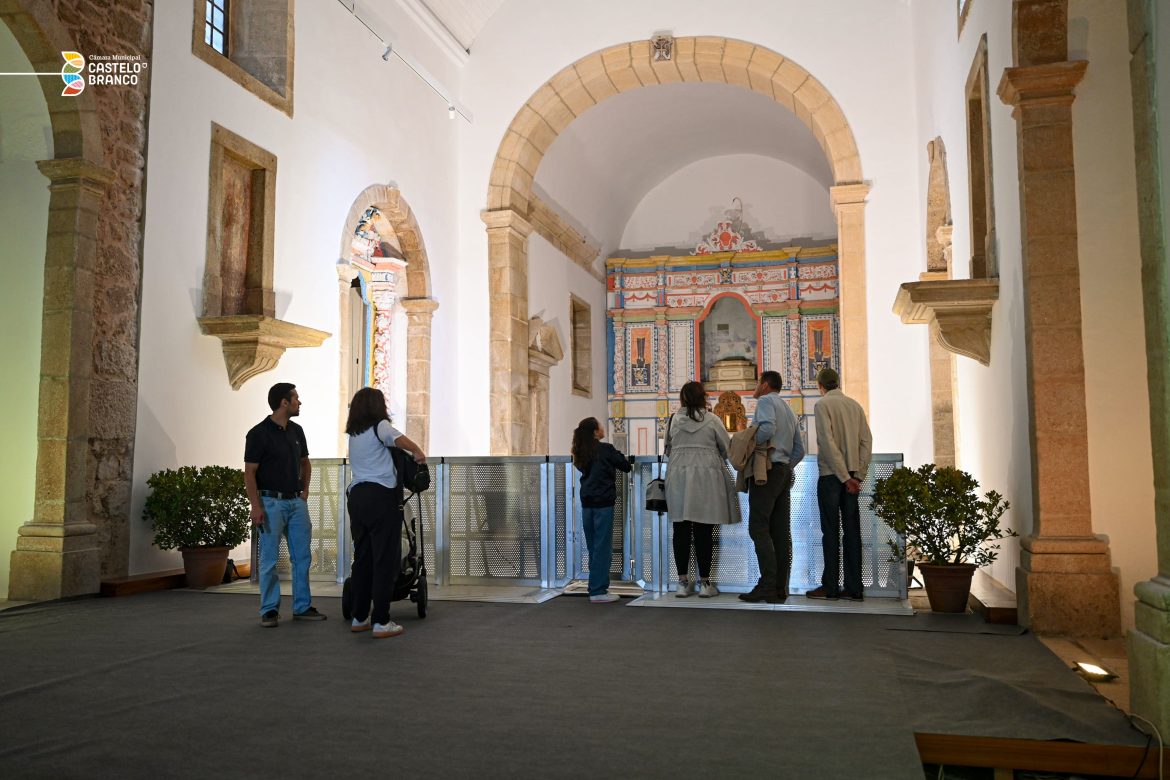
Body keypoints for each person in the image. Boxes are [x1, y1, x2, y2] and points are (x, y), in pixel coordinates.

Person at [344, 387, 426, 638]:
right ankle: (381, 621)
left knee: (363, 559)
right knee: (384, 560)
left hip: (357, 497)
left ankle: (359, 617)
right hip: (380, 497)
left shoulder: (354, 434)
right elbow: (399, 440)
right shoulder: (380, 426)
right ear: (376, 406)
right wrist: (418, 451)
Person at [244, 382, 326, 627]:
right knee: (269, 559)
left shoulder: (297, 431)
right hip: (270, 503)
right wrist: (256, 506)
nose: (299, 402)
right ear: (284, 402)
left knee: (302, 557)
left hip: (296, 502)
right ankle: (269, 610)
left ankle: (302, 607)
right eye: (296, 398)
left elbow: (305, 462)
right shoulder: (258, 434)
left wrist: (305, 490)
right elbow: (249, 473)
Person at [664, 381, 740, 598]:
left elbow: (668, 449)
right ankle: (705, 584)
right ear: (702, 398)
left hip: (678, 475)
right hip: (707, 477)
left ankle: (682, 583)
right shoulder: (712, 419)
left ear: (682, 398)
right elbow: (727, 449)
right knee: (704, 530)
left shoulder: (673, 420)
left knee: (680, 529)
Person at [808, 367, 873, 601]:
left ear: (820, 386)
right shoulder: (855, 406)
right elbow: (867, 442)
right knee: (852, 532)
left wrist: (844, 477)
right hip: (853, 477)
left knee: (831, 531)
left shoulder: (822, 405)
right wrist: (857, 475)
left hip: (831, 477)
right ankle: (854, 588)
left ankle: (831, 587)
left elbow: (827, 443)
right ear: (838, 383)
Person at [741, 370, 805, 604]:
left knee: (758, 527)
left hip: (766, 472)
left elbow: (767, 429)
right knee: (780, 531)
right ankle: (779, 588)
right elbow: (799, 450)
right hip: (783, 472)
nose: (756, 387)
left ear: (765, 385)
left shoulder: (766, 401)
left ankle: (767, 585)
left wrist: (748, 442)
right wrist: (785, 467)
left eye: (758, 383)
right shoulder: (788, 409)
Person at [572, 417, 632, 604]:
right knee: (602, 548)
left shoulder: (580, 451)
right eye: (600, 425)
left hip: (586, 503)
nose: (603, 427)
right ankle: (598, 591)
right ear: (595, 431)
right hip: (603, 504)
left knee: (593, 547)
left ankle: (594, 587)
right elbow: (625, 466)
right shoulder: (605, 449)